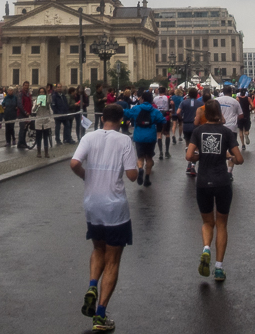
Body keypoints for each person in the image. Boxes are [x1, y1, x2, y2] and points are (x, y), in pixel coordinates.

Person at [71, 104, 138, 332]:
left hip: (92, 205)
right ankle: (100, 315)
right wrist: (137, 166)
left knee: (98, 249)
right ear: (121, 121)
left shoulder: (89, 138)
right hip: (114, 208)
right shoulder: (124, 141)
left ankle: (92, 285)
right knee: (113, 260)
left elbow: (74, 163)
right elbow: (131, 176)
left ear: (101, 120)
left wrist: (87, 177)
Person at [186, 99, 244, 282]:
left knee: (207, 222)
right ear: (219, 113)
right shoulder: (226, 132)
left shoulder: (198, 131)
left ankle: (206, 249)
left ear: (204, 115)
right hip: (222, 182)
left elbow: (189, 156)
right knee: (222, 224)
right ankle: (218, 268)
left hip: (203, 181)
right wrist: (230, 158)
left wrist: (201, 155)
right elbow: (240, 158)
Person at [124, 91, 166, 186]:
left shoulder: (136, 108)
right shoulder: (154, 110)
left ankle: (140, 169)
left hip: (139, 136)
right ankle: (147, 178)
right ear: (151, 100)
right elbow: (162, 120)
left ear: (142, 99)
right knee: (149, 157)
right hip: (150, 136)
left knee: (140, 157)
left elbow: (127, 113)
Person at [215, 87, 243, 178]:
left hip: (218, 127)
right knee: (231, 150)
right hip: (231, 128)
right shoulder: (235, 101)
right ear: (231, 92)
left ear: (222, 92)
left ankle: (218, 170)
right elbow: (241, 115)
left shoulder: (216, 100)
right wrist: (234, 119)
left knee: (218, 149)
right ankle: (229, 172)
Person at [178, 87, 203, 176]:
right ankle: (193, 165)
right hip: (196, 126)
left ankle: (189, 163)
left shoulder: (184, 102)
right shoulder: (200, 103)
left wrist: (181, 119)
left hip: (186, 125)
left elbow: (178, 112)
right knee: (196, 146)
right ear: (197, 94)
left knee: (188, 144)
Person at [33, 87, 54, 158]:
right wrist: (37, 105)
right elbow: (33, 111)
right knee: (38, 137)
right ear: (38, 93)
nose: (42, 93)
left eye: (43, 92)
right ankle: (38, 152)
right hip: (38, 121)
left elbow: (51, 112)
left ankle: (46, 152)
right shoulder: (36, 101)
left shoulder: (47, 101)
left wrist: (48, 104)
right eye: (40, 92)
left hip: (46, 121)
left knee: (46, 137)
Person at [152, 88, 171, 159]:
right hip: (166, 116)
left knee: (159, 135)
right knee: (167, 134)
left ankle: (160, 152)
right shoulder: (167, 97)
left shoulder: (155, 98)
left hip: (158, 116)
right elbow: (170, 106)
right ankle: (167, 151)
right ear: (165, 91)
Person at [17, 81, 33, 149]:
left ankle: (23, 142)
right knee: (22, 129)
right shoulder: (21, 94)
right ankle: (20, 143)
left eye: (27, 85)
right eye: (25, 85)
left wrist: (30, 111)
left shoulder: (28, 94)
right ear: (23, 86)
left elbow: (30, 103)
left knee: (25, 129)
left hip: (27, 114)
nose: (26, 87)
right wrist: (25, 112)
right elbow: (20, 104)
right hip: (22, 114)